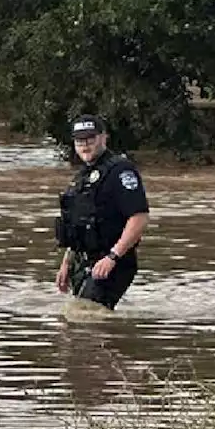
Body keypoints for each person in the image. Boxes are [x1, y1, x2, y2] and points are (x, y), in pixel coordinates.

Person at [54, 114, 151, 310]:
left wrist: (113, 257)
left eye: (90, 138)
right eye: (80, 140)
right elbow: (78, 225)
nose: (85, 145)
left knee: (89, 320)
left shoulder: (121, 171)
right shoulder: (83, 176)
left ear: (104, 137)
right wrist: (66, 264)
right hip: (83, 262)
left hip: (112, 262)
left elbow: (139, 217)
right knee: (82, 322)